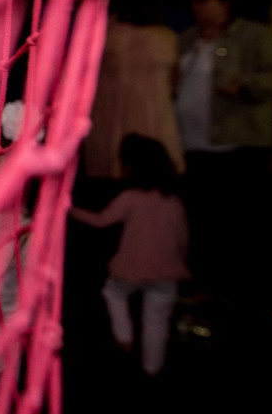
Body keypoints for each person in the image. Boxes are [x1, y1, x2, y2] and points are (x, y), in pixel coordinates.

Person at [174, 0, 272, 337]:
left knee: (241, 228)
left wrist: (245, 86)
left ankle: (248, 307)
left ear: (227, 2)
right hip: (194, 148)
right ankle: (209, 299)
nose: (197, 4)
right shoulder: (187, 39)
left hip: (238, 148)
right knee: (204, 227)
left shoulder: (253, 35)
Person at [70, 134, 189, 379]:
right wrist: (179, 261)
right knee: (156, 322)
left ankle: (124, 339)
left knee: (113, 293)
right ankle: (151, 371)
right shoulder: (174, 202)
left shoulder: (131, 198)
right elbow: (183, 239)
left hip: (131, 270)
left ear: (133, 166)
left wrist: (67, 208)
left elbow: (101, 221)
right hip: (167, 272)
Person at [81, 0, 183, 193]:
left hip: (106, 133)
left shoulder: (103, 36)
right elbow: (176, 85)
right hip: (155, 130)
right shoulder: (166, 39)